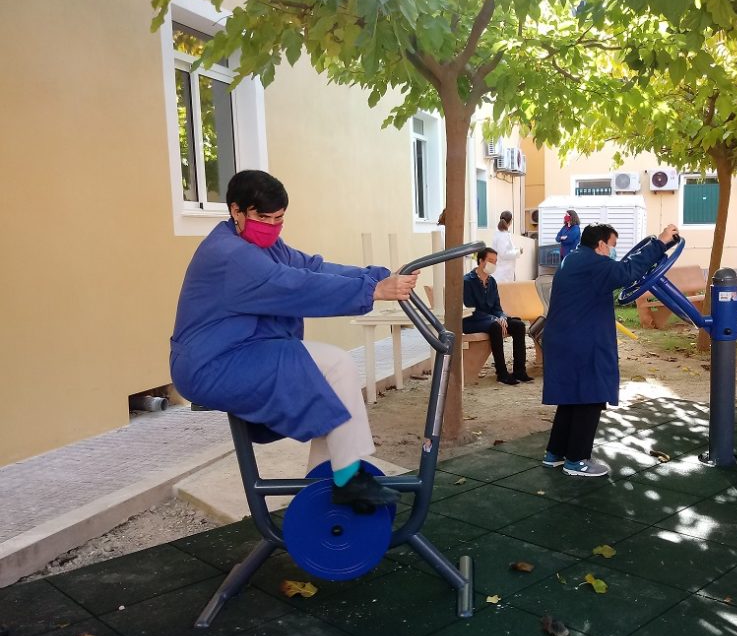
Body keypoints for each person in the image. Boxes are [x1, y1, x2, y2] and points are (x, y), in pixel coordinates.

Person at [170, 170, 416, 510]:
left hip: (244, 349)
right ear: (236, 211)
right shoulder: (230, 255)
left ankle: (322, 484)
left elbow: (313, 269)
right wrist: (372, 290)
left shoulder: (264, 246)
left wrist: (379, 275)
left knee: (328, 385)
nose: (271, 226)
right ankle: (346, 479)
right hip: (213, 363)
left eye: (279, 219)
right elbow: (295, 286)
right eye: (262, 217)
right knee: (337, 364)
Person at [542, 223, 679, 475]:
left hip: (565, 338)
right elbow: (627, 271)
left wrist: (661, 246)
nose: (614, 251)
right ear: (601, 244)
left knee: (572, 397)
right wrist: (661, 242)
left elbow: (624, 268)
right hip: (580, 341)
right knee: (591, 395)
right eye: (613, 246)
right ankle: (577, 460)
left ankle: (556, 453)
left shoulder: (574, 259)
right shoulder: (594, 264)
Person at [462, 247, 533, 386]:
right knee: (495, 327)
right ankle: (502, 374)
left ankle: (520, 371)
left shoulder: (492, 281)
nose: (493, 264)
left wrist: (500, 316)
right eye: (490, 260)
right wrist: (494, 319)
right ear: (481, 261)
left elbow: (497, 307)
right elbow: (470, 310)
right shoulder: (467, 281)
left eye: (495, 261)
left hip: (490, 320)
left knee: (519, 326)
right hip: (471, 321)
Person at [493, 210, 521, 283]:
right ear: (511, 221)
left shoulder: (501, 233)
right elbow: (503, 254)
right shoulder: (502, 235)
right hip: (502, 274)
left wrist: (515, 250)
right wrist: (518, 252)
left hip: (502, 272)